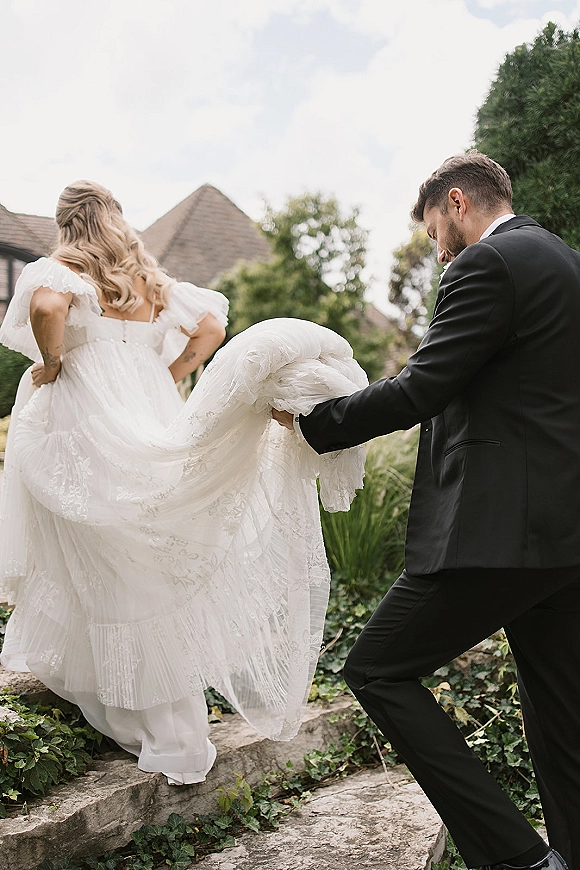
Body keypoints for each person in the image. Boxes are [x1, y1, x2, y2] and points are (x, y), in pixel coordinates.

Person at [0, 181, 368, 785]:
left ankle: (141, 707)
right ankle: (170, 717)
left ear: (68, 225)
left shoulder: (62, 271)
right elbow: (209, 328)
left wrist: (54, 362)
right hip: (149, 410)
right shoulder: (148, 280)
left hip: (86, 421)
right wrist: (164, 371)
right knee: (146, 558)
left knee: (102, 556)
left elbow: (45, 311)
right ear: (115, 220)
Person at [274, 151, 579, 870]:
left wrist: (317, 421)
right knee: (562, 716)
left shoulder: (486, 266)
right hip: (566, 534)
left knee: (376, 669)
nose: (437, 247)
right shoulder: (565, 260)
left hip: (503, 531)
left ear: (457, 201)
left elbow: (421, 389)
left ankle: (518, 860)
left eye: (435, 228)